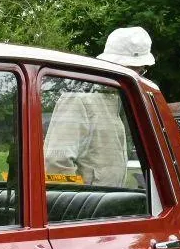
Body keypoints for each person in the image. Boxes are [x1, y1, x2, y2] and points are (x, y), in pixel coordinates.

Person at [43, 27, 155, 188]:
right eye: (137, 70)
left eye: (141, 71)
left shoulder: (118, 102)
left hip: (107, 208)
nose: (138, 76)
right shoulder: (78, 100)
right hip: (86, 209)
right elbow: (56, 162)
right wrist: (78, 204)